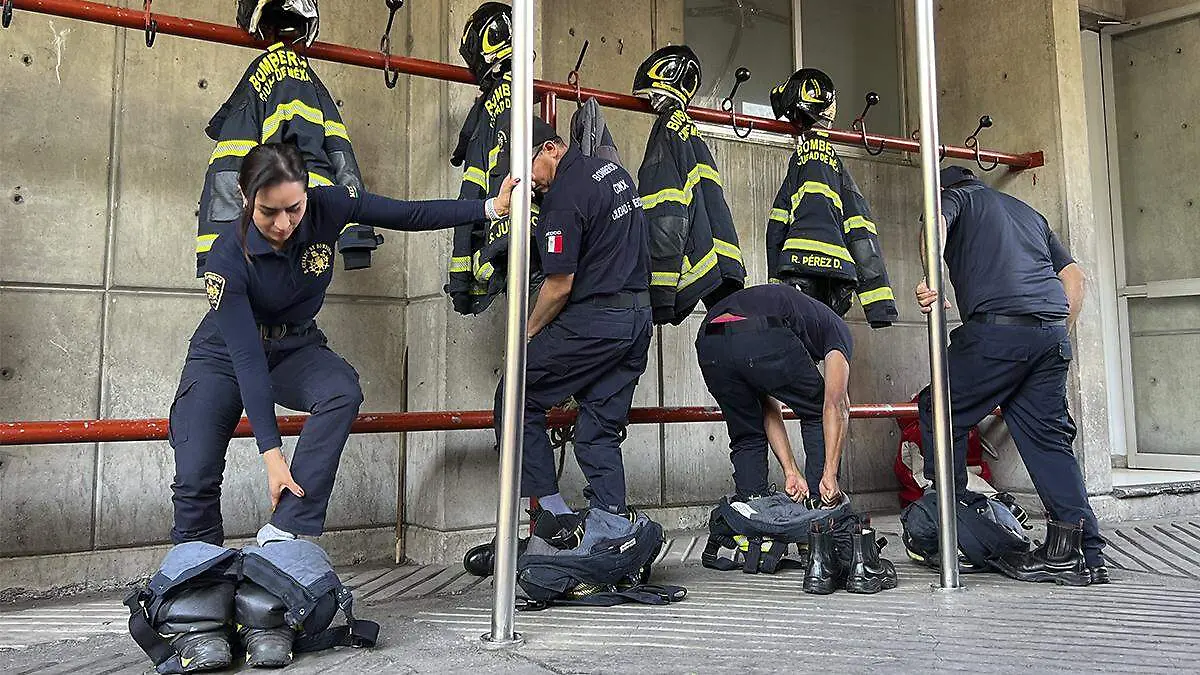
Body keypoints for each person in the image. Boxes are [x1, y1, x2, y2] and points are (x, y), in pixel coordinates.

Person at [169, 143, 515, 547]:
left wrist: (492, 207)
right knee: (196, 475)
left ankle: (284, 531)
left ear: (306, 192)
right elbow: (247, 361)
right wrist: (273, 455)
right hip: (224, 355)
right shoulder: (226, 258)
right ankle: (196, 568)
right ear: (245, 199)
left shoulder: (328, 205)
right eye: (268, 212)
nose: (283, 224)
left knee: (340, 390)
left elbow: (409, 214)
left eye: (293, 208)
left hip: (295, 348)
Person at [915, 164, 1106, 585]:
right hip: (1050, 333)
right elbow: (1075, 277)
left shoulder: (956, 197)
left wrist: (932, 281)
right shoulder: (1027, 213)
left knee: (938, 407)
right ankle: (1083, 553)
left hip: (998, 331)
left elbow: (935, 225)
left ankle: (955, 514)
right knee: (1047, 442)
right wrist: (1051, 335)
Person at [495, 117, 652, 543]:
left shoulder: (563, 198)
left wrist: (525, 335)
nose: (527, 184)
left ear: (551, 148)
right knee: (597, 431)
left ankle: (553, 515)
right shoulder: (612, 172)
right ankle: (613, 529)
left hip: (598, 320)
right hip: (638, 321)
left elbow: (559, 285)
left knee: (515, 392)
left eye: (526, 171)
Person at [197, 0, 383, 278]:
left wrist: (215, 253)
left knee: (266, 304)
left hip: (272, 221)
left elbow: (229, 163)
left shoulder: (261, 79)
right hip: (316, 213)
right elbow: (341, 155)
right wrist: (355, 237)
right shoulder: (312, 84)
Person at [694, 284, 852, 504]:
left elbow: (768, 406)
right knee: (816, 410)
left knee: (748, 432)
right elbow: (835, 407)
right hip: (760, 330)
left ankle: (752, 520)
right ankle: (821, 509)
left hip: (709, 339)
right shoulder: (837, 329)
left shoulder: (797, 314)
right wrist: (830, 474)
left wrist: (790, 471)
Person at [765, 68, 898, 327]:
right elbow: (860, 231)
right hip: (838, 279)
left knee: (800, 351)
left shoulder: (802, 161)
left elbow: (776, 224)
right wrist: (878, 306)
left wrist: (775, 282)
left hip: (799, 273)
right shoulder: (837, 168)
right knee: (829, 345)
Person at [633, 44, 746, 326]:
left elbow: (665, 211)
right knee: (730, 342)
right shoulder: (692, 136)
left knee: (724, 344)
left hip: (699, 262)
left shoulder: (666, 133)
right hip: (721, 265)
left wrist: (660, 292)